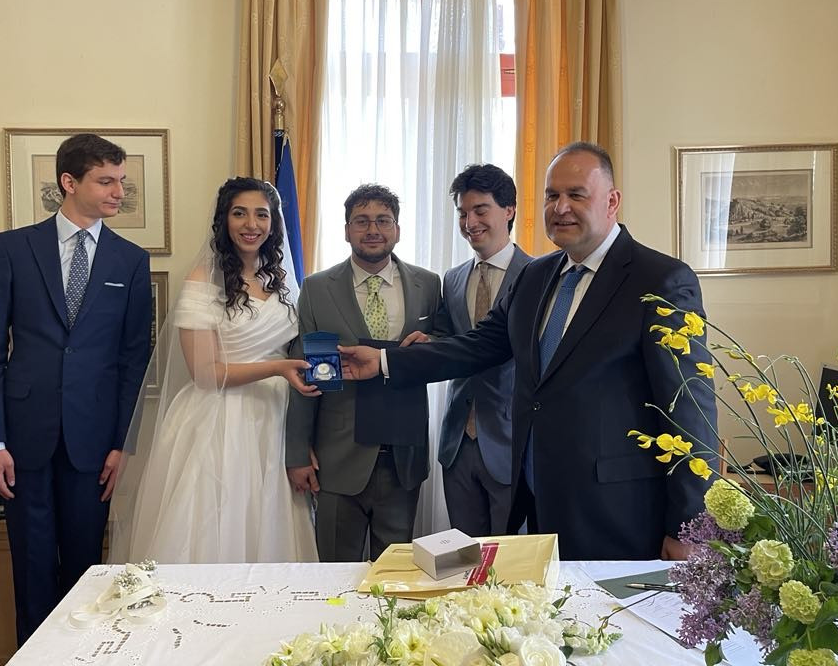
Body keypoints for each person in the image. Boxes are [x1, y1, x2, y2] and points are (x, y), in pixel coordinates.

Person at [340, 142, 718, 561]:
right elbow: (479, 345)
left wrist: (689, 525)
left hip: (621, 512)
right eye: (552, 195)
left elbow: (690, 411)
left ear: (612, 201)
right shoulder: (536, 276)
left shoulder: (661, 279)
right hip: (538, 500)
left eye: (576, 194)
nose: (561, 207)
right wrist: (386, 361)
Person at [0, 133, 152, 644]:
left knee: (85, 573)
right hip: (21, 440)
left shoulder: (131, 261)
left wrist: (124, 444)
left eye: (122, 181)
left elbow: (134, 361)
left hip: (94, 444)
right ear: (69, 182)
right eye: (106, 181)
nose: (119, 192)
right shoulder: (11, 249)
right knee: (30, 571)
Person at [112, 177, 319, 564]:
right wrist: (277, 368)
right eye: (240, 213)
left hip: (276, 419)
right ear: (224, 219)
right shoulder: (202, 282)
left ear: (274, 223)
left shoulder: (283, 281)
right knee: (215, 523)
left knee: (270, 524)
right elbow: (204, 372)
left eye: (262, 215)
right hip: (218, 418)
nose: (251, 224)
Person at [285, 184, 442, 561]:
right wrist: (297, 453)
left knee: (395, 576)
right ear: (346, 230)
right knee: (333, 574)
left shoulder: (428, 285)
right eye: (362, 221)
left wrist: (433, 342)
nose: (373, 230)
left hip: (403, 456)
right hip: (338, 457)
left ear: (397, 229)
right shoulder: (317, 289)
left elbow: (446, 347)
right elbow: (305, 371)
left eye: (383, 220)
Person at [435, 164, 531, 536]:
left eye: (480, 210)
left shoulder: (538, 275)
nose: (470, 222)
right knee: (463, 558)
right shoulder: (453, 279)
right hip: (457, 443)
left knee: (512, 559)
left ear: (508, 210)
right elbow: (450, 344)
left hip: (512, 442)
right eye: (462, 213)